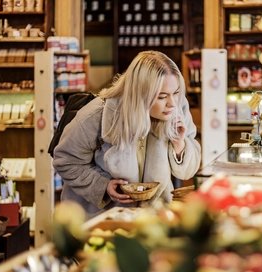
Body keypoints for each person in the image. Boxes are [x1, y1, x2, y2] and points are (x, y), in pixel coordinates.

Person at [53, 51, 201, 218]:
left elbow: (188, 170)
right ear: (140, 94)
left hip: (152, 220)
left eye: (176, 93)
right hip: (103, 220)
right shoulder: (97, 115)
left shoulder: (177, 110)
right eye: (161, 96)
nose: (172, 103)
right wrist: (103, 186)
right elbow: (65, 160)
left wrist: (179, 144)